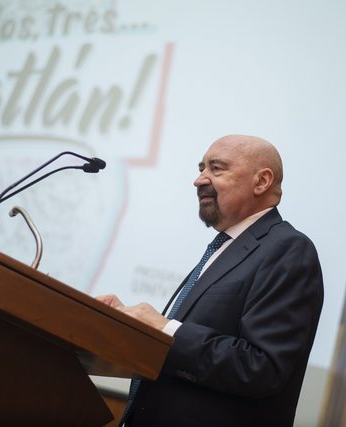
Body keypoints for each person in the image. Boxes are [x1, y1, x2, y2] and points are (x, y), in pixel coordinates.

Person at [97, 134, 324, 427]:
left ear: (261, 182)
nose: (199, 180)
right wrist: (128, 322)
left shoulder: (288, 249)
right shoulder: (226, 246)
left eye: (216, 169)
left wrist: (165, 328)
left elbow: (261, 368)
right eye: (201, 168)